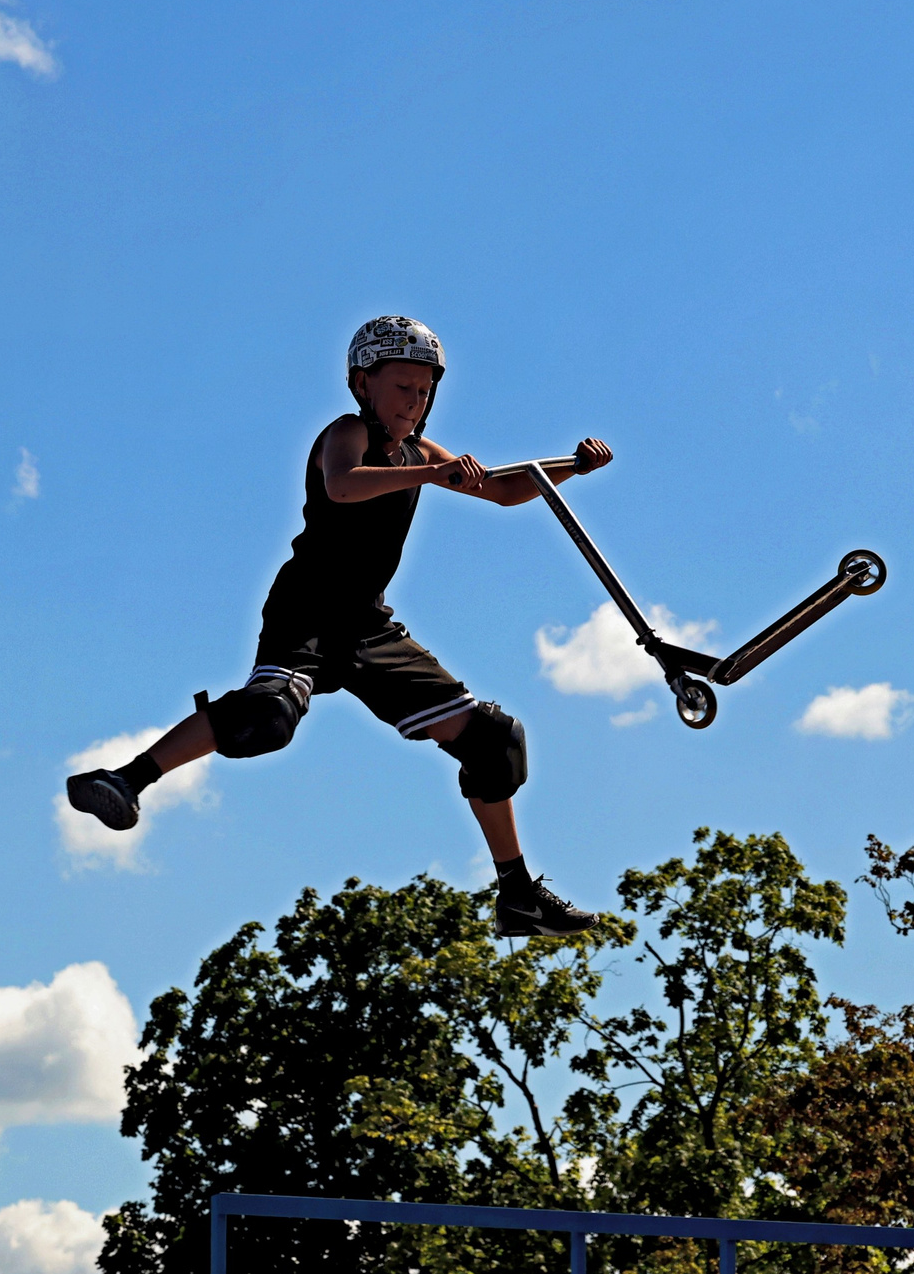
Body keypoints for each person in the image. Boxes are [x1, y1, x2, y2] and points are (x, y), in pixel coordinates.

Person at [66, 315, 613, 937]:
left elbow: (506, 492)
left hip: (368, 628)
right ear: (362, 385)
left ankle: (517, 896)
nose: (416, 401)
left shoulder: (421, 453)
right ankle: (125, 779)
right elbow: (344, 486)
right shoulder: (346, 433)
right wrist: (432, 474)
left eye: (426, 390)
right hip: (308, 611)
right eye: (403, 387)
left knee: (493, 740)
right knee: (265, 718)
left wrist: (568, 467)